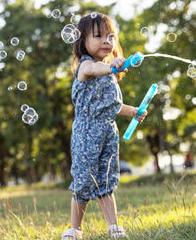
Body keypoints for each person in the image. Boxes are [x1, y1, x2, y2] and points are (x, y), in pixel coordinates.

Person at [61, 13, 148, 240]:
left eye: (110, 36)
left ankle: (114, 226)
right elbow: (93, 70)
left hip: (108, 132)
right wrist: (111, 68)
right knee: (83, 179)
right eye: (98, 36)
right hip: (86, 133)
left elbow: (113, 106)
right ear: (82, 42)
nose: (106, 41)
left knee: (106, 179)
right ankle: (75, 229)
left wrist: (134, 112)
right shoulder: (86, 66)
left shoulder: (109, 75)